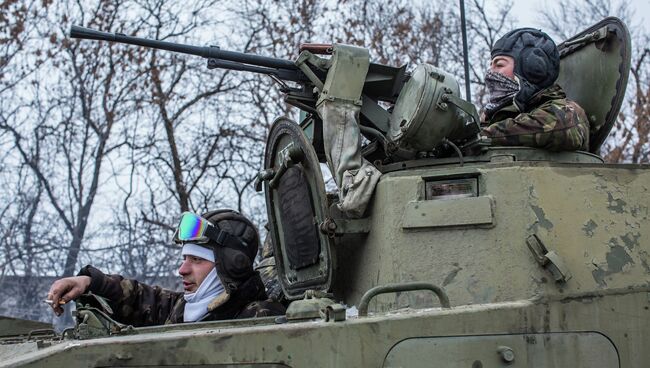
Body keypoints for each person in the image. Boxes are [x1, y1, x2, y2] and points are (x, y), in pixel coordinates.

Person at [46, 210, 285, 326]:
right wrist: (90, 282)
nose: (182, 269)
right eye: (185, 258)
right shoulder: (191, 309)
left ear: (233, 266)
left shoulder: (258, 319)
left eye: (197, 260)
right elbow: (148, 300)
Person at [481, 28, 590, 151]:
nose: (490, 73)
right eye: (491, 66)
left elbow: (559, 126)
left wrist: (480, 137)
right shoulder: (498, 118)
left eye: (499, 64)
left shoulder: (566, 111)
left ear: (531, 69)